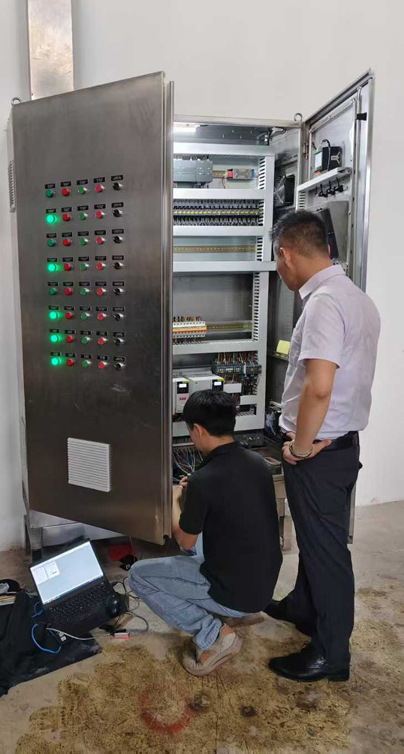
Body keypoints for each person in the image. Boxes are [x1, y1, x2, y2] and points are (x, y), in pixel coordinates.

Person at [266, 210, 380, 683]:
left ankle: (332, 655)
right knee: (317, 541)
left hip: (318, 454)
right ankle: (303, 607)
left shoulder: (323, 304)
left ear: (286, 254)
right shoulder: (356, 297)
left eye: (276, 260)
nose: (278, 270)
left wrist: (299, 447)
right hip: (342, 447)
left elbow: (319, 387)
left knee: (327, 553)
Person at [129, 390, 282, 676]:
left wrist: (175, 500)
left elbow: (184, 541)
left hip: (236, 593)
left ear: (198, 430)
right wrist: (197, 494)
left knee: (138, 576)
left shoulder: (204, 479)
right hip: (262, 585)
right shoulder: (258, 463)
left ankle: (213, 633)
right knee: (199, 543)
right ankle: (232, 612)